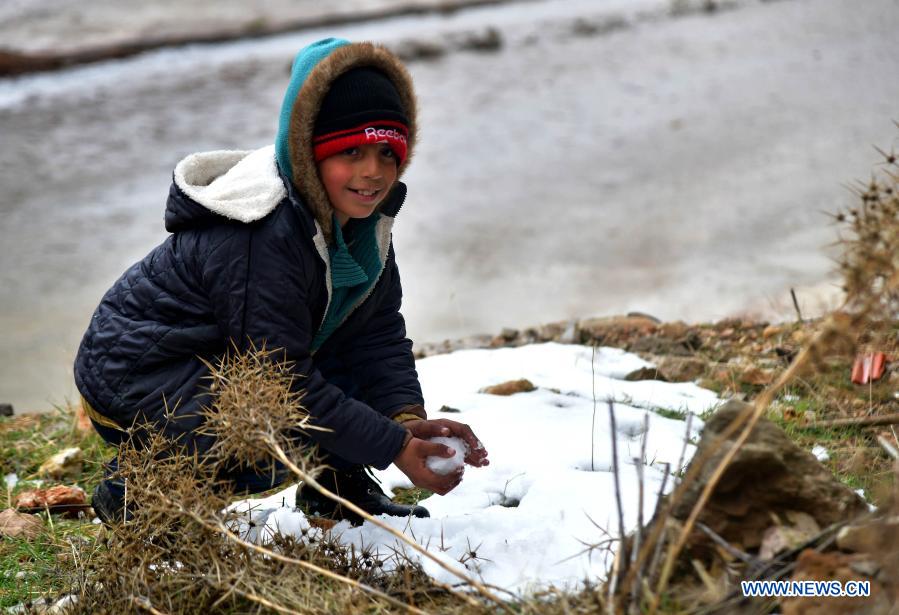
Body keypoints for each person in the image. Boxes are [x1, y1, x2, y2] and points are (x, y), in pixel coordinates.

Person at [73, 37, 489, 525]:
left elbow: (375, 333)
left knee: (341, 358)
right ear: (308, 152)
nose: (373, 172)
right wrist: (392, 445)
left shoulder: (361, 223)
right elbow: (282, 379)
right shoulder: (260, 233)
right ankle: (137, 493)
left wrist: (406, 419)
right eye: (350, 151)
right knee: (273, 437)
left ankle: (336, 491)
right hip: (137, 375)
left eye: (387, 152)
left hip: (220, 357)